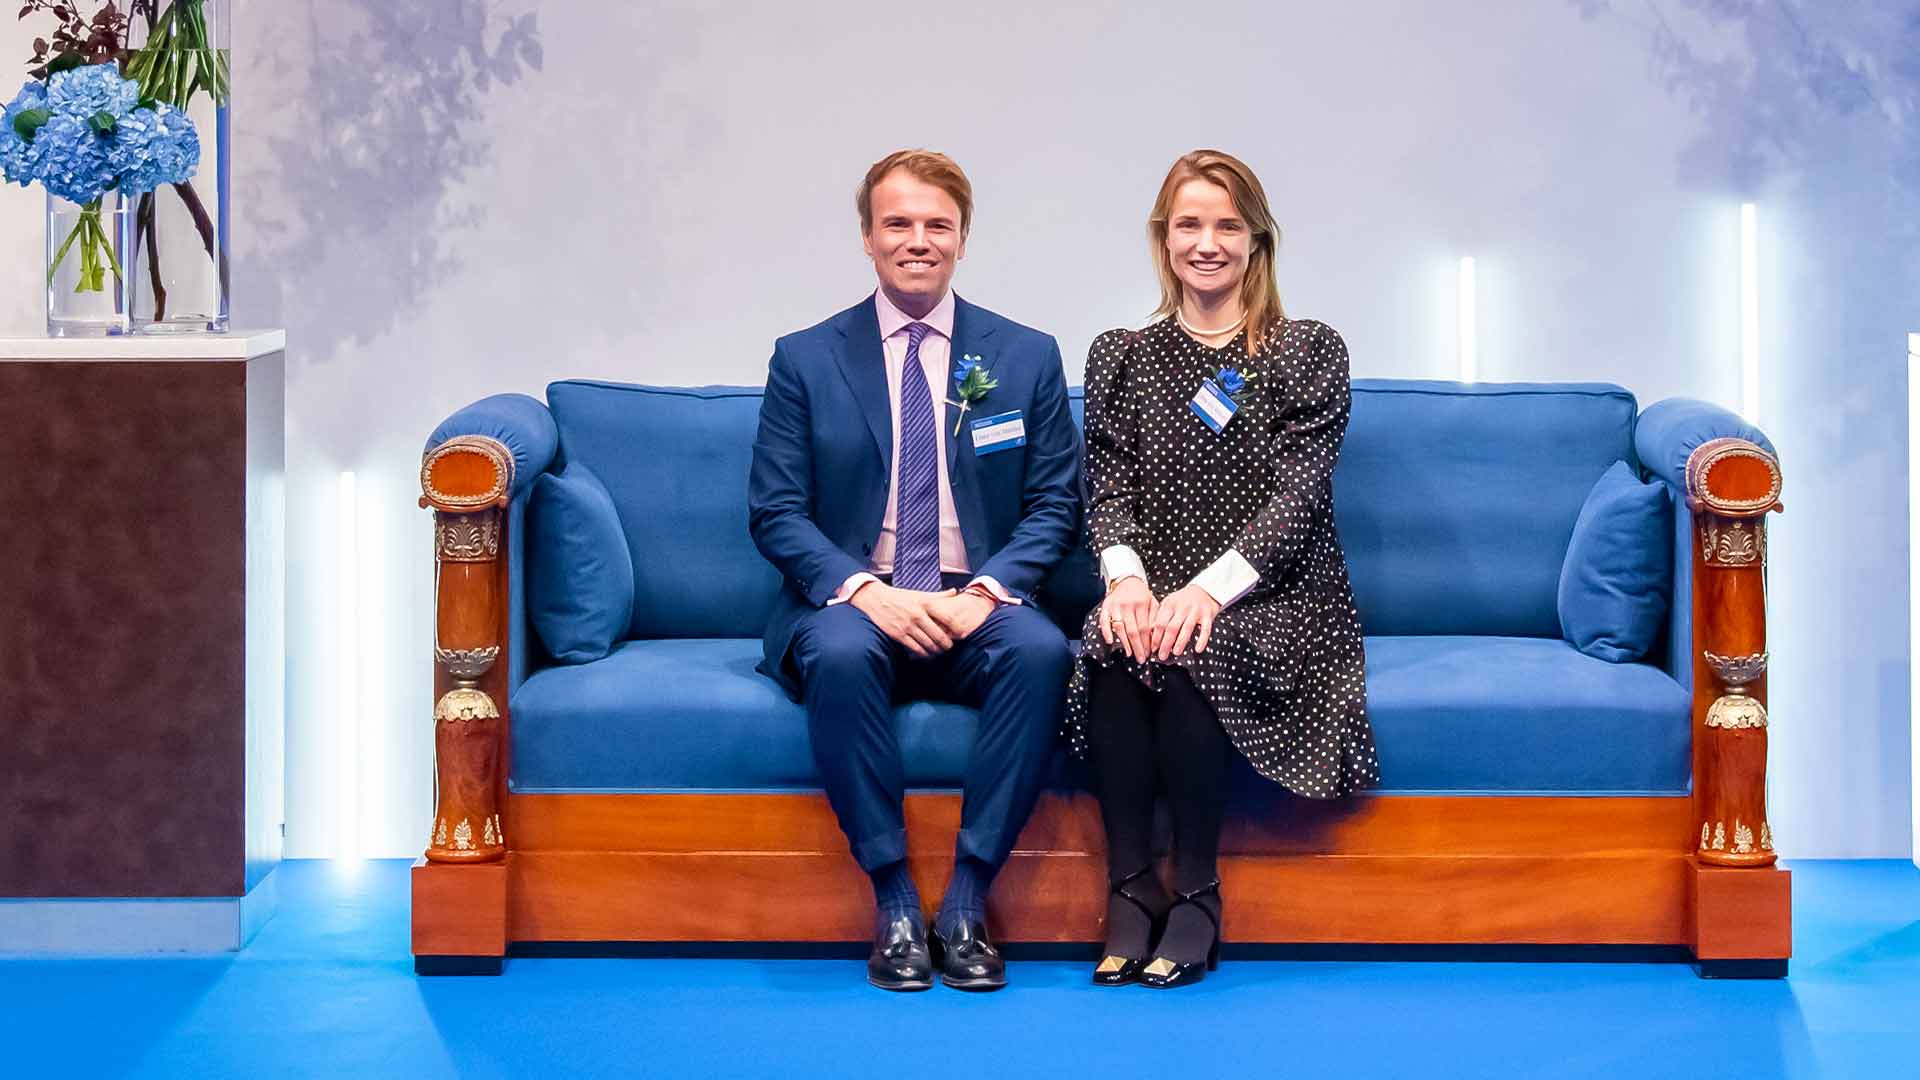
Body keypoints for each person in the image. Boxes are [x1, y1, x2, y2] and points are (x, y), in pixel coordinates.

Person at [748, 149, 1081, 992]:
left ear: (964, 239)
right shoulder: (805, 357)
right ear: (867, 237)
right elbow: (776, 512)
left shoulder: (1027, 354)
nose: (918, 240)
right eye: (899, 223)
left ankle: (967, 901)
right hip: (859, 602)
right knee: (843, 650)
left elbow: (1054, 506)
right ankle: (894, 898)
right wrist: (867, 592)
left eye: (938, 224)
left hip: (976, 600)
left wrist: (986, 594)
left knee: (1041, 653)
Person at [1067, 149, 1379, 989]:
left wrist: (1205, 592)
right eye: (1189, 224)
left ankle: (1197, 893)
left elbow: (1300, 499)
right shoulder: (1120, 354)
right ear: (1163, 240)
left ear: (1257, 240)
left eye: (1227, 225)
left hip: (1273, 593)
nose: (1207, 242)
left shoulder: (1305, 350)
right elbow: (1110, 487)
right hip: (1154, 582)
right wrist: (1128, 583)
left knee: (1196, 642)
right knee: (1114, 640)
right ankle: (1131, 890)